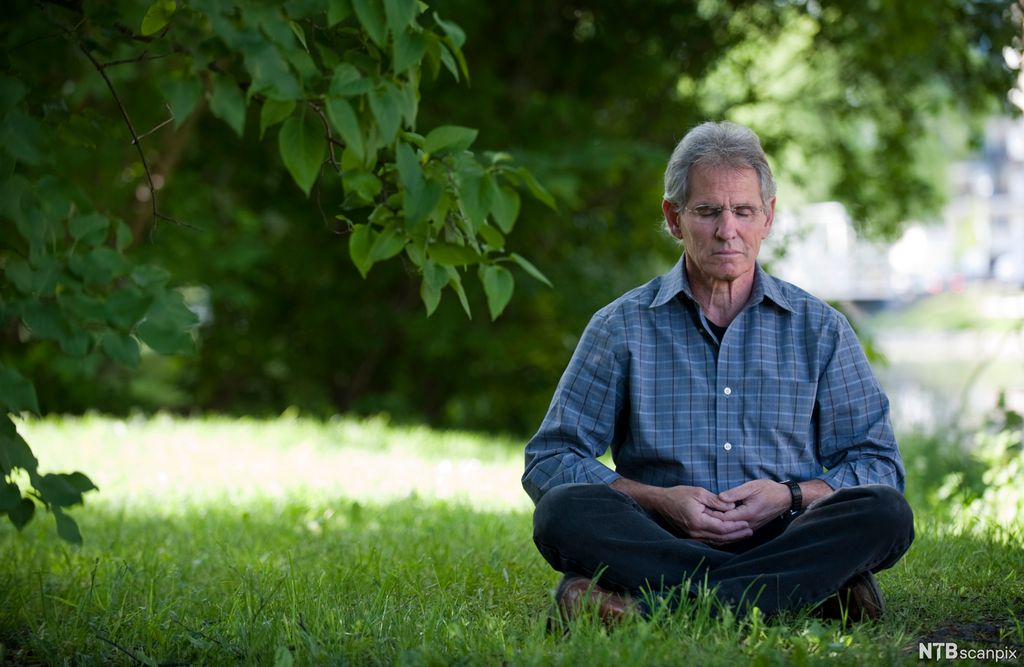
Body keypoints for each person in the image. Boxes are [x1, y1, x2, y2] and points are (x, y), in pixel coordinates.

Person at [522, 121, 914, 625]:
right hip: (658, 537)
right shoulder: (619, 327)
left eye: (744, 211)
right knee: (562, 513)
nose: (728, 230)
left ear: (768, 217)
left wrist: (789, 496)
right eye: (708, 211)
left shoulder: (821, 329)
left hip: (788, 533)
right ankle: (807, 592)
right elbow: (550, 459)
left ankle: (647, 608)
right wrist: (659, 500)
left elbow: (878, 465)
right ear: (673, 218)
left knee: (884, 513)